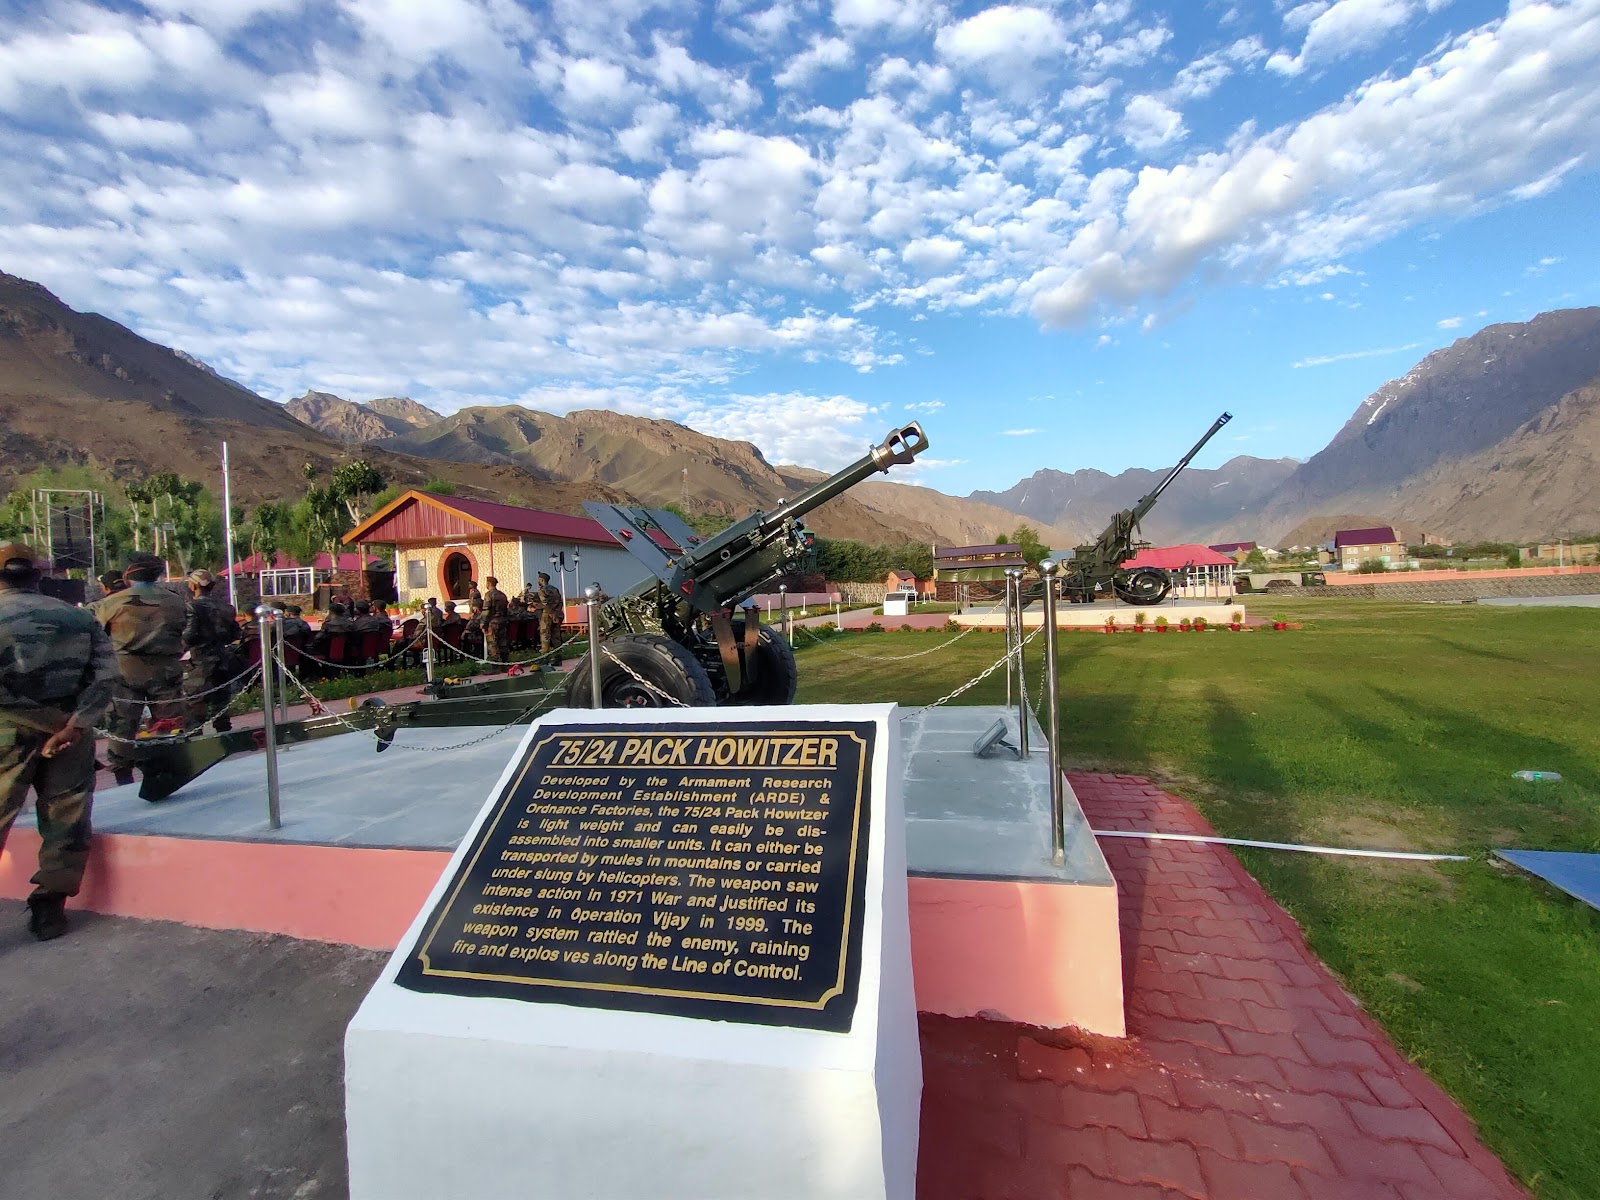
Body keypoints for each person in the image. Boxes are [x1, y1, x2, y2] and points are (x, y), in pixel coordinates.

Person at [0, 542, 119, 941]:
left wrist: (49, 722)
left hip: (7, 733)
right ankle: (50, 909)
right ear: (37, 575)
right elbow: (106, 676)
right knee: (67, 817)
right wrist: (73, 725)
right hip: (72, 736)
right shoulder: (78, 617)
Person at [93, 552, 186, 785]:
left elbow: (98, 636)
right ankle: (166, 776)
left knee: (121, 727)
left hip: (124, 671)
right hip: (166, 670)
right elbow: (185, 632)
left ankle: (123, 778)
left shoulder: (112, 602)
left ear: (128, 574)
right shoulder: (175, 600)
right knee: (169, 725)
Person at [181, 569, 240, 734]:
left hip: (200, 660)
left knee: (195, 703)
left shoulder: (193, 606)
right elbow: (235, 633)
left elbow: (189, 636)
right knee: (221, 702)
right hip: (223, 658)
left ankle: (195, 739)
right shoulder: (227, 607)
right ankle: (225, 736)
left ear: (193, 586)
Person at [482, 575, 509, 662]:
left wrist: (483, 623)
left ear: (489, 583)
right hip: (502, 621)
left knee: (492, 643)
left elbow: (486, 610)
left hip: (493, 622)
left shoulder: (489, 595)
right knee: (503, 643)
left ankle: (495, 663)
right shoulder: (502, 595)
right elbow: (506, 609)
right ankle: (505, 661)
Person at [536, 571, 563, 653]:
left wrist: (552, 614)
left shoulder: (542, 590)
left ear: (542, 580)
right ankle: (558, 653)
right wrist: (556, 613)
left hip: (547, 615)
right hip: (557, 613)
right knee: (556, 635)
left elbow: (545, 604)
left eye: (539, 579)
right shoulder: (555, 589)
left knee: (545, 634)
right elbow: (560, 602)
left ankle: (545, 654)